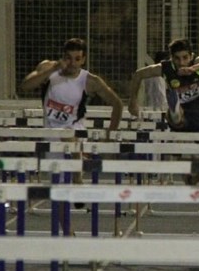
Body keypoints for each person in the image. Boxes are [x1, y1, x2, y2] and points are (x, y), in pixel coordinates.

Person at [21, 38, 123, 229]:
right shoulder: (49, 68)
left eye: (77, 59)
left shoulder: (89, 80)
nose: (72, 63)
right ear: (63, 56)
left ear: (83, 60)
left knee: (70, 135)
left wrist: (110, 132)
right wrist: (51, 70)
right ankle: (67, 233)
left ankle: (77, 176)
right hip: (50, 136)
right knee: (57, 190)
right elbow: (25, 86)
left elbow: (117, 103)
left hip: (76, 130)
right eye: (68, 58)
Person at [127, 38, 199, 184]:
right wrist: (133, 101)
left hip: (198, 115)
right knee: (177, 116)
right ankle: (175, 110)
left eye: (185, 58)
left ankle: (192, 179)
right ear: (171, 58)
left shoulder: (198, 62)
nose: (181, 62)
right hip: (178, 116)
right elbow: (139, 74)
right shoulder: (166, 68)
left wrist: (193, 69)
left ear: (191, 56)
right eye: (177, 59)